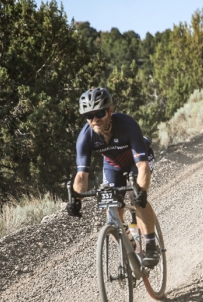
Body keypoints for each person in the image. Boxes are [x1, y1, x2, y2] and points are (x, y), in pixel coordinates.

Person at [67, 87, 159, 267]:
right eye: (89, 116)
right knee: (112, 209)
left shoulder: (128, 125)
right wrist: (76, 199)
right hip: (113, 166)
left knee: (135, 196)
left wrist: (142, 192)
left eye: (99, 113)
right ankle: (133, 251)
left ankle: (150, 244)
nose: (95, 120)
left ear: (110, 111)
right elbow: (81, 176)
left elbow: (142, 166)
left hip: (137, 160)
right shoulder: (85, 137)